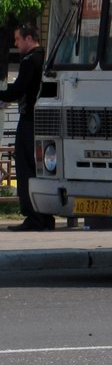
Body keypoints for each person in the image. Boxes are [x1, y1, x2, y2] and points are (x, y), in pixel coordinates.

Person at [1, 24, 55, 231]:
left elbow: (18, 90)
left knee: (25, 169)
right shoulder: (48, 58)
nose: (15, 43)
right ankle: (46, 216)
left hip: (28, 121)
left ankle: (32, 217)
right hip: (44, 121)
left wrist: (2, 94)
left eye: (17, 39)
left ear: (29, 38)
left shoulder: (29, 61)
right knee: (42, 170)